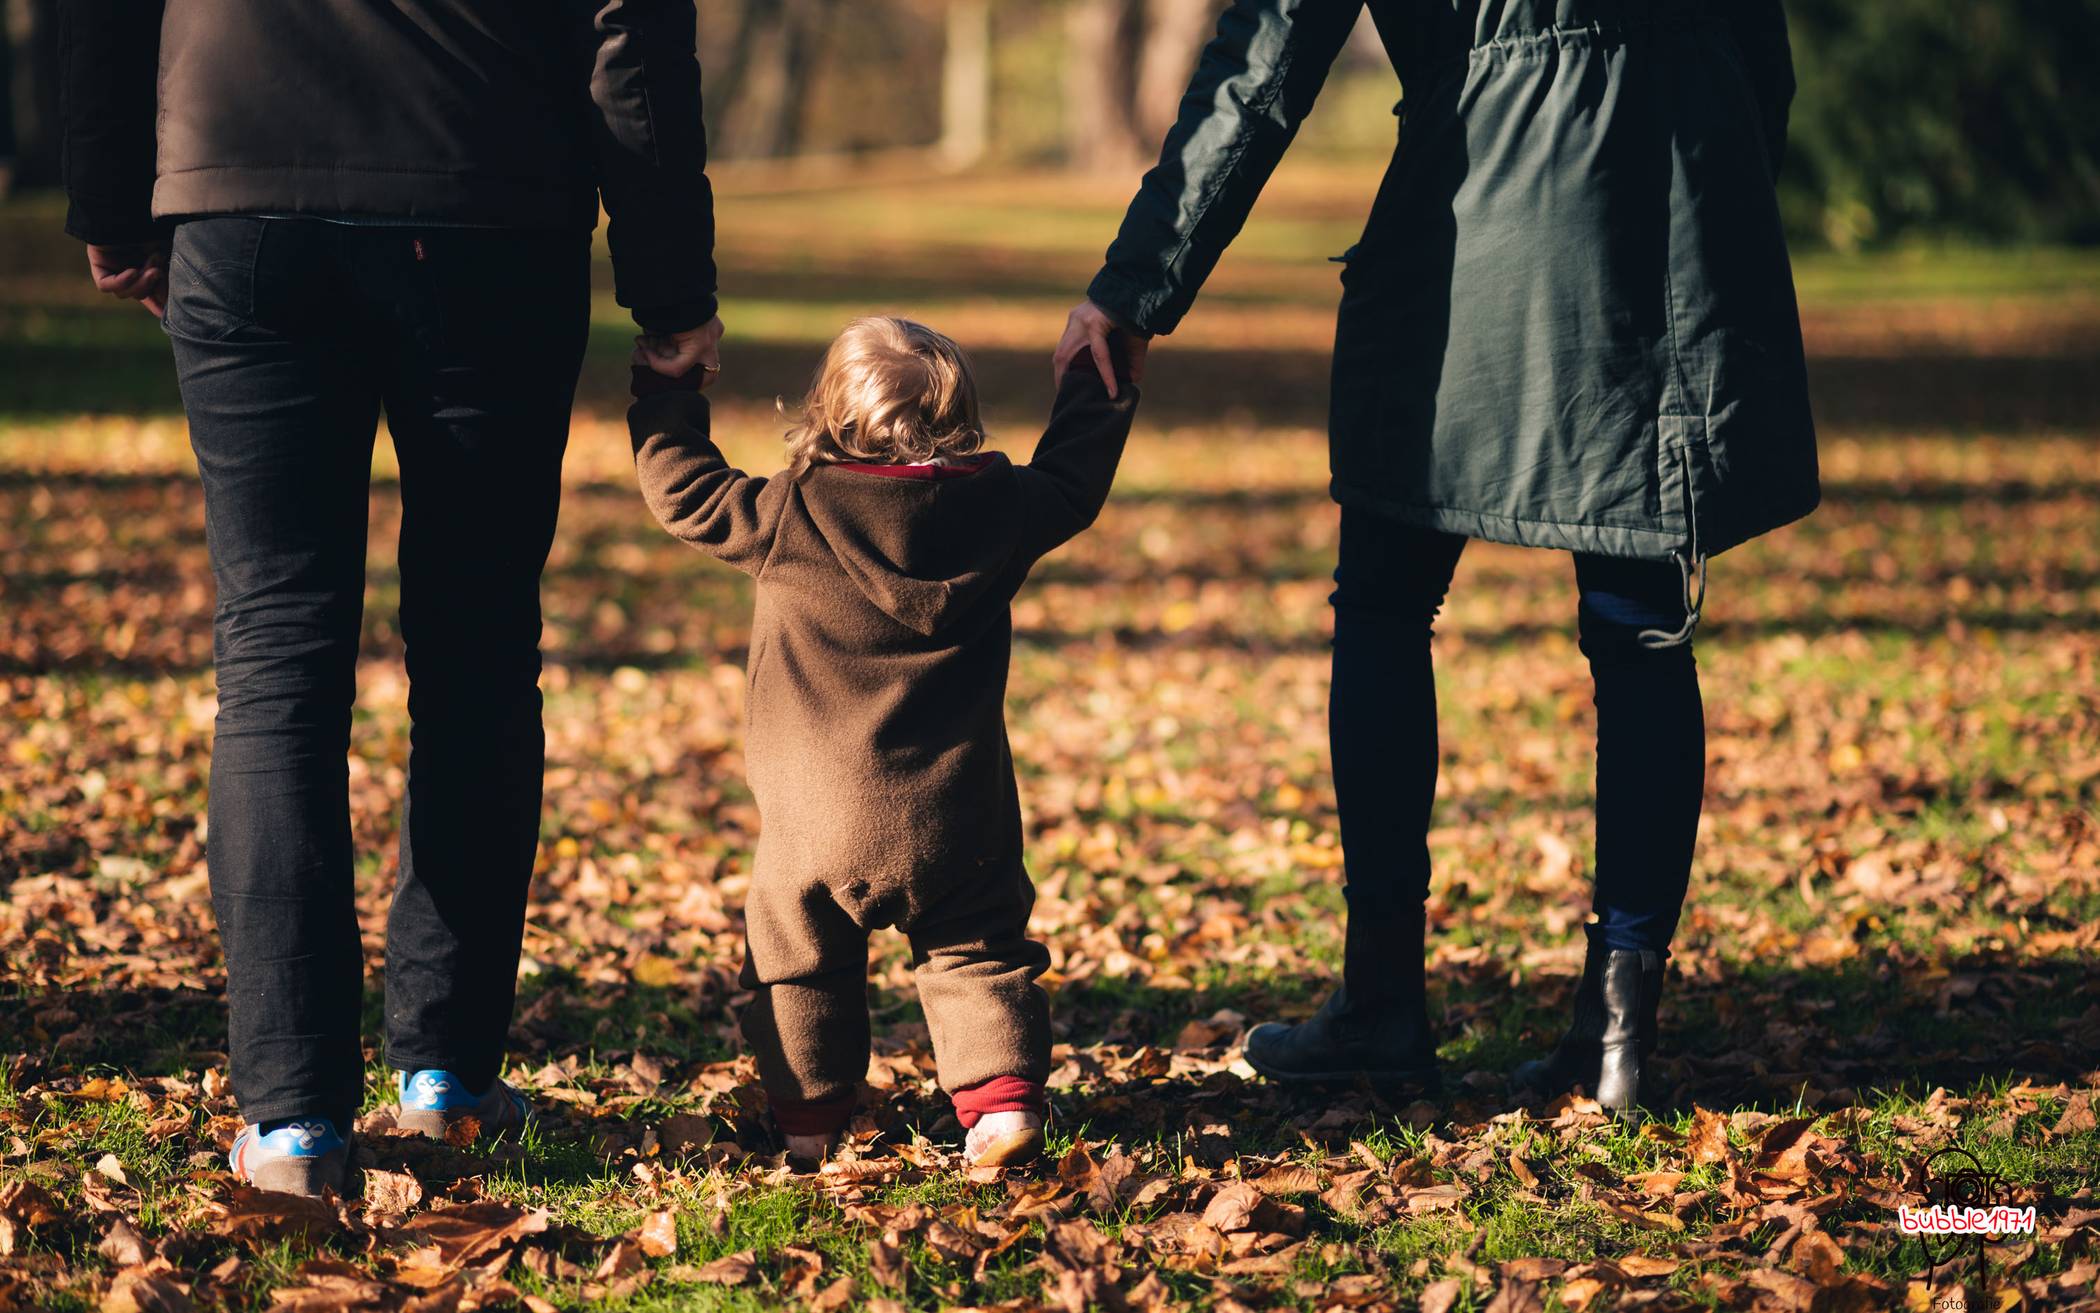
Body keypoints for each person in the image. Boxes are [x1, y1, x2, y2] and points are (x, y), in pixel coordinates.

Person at [1055, 0, 1818, 1114]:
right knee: (1642, 626)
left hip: (1472, 214)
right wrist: (1719, 195)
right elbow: (1760, 48)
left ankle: (1381, 1001)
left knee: (1383, 599)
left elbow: (1264, 66)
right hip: (1674, 209)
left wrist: (1137, 287)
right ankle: (1617, 1040)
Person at [59, 0, 721, 1194]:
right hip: (491, 199)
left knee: (274, 663)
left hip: (244, 178)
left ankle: (294, 1120)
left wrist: (114, 200)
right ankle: (448, 1079)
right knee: (475, 654)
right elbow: (631, 23)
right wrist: (671, 288)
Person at [629, 317, 1139, 1167]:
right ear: (962, 417)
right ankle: (1003, 1107)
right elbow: (1075, 477)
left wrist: (669, 392)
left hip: (814, 824)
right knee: (977, 949)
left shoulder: (789, 512)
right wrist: (1099, 380)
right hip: (956, 813)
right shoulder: (1000, 509)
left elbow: (681, 487)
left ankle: (808, 1118)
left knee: (798, 961)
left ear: (827, 416)